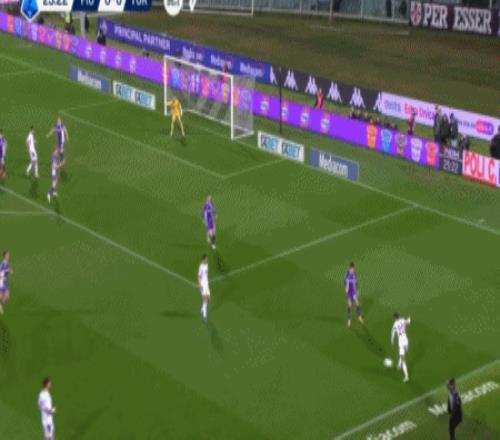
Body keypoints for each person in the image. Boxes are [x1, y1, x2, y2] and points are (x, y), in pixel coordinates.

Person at [391, 312, 411, 382]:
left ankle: (406, 376)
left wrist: (392, 340)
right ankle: (399, 364)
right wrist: (409, 319)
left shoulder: (395, 324)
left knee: (403, 360)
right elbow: (408, 322)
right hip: (406, 340)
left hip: (401, 342)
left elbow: (393, 333)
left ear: (394, 318)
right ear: (399, 316)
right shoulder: (403, 320)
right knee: (404, 353)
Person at [345, 263, 364, 328]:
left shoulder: (355, 274)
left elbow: (356, 283)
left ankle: (359, 317)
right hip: (349, 292)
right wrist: (346, 288)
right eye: (351, 269)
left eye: (353, 269)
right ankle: (349, 320)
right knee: (349, 305)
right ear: (349, 268)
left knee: (357, 304)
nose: (352, 270)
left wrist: (357, 290)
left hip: (354, 291)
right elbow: (345, 282)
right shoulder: (347, 274)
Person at [198, 254, 210, 323]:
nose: (207, 260)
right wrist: (200, 284)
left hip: (206, 284)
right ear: (203, 259)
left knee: (208, 300)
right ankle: (204, 316)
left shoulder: (207, 265)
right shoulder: (201, 267)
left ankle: (202, 309)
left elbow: (206, 275)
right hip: (203, 284)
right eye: (206, 259)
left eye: (207, 259)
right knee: (205, 300)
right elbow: (199, 276)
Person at [0, 250, 13, 315]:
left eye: (8, 255)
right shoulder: (3, 263)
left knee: (6, 297)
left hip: (5, 281)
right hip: (1, 281)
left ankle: (0, 304)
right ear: (4, 256)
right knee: (4, 296)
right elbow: (1, 272)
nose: (8, 256)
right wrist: (9, 270)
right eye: (7, 255)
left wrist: (9, 271)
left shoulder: (7, 263)